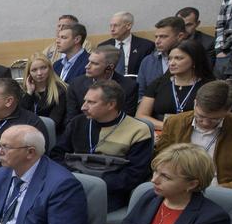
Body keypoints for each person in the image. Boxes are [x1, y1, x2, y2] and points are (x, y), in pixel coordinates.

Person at [156, 80, 232, 223]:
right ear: (195, 103)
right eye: (200, 116)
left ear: (229, 109)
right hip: (178, 191)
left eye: (214, 119)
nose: (205, 123)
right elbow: (160, 159)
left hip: (222, 194)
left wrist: (225, 189)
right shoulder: (175, 123)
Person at [52, 80, 154, 211]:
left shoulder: (138, 130)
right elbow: (56, 155)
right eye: (85, 101)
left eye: (91, 102)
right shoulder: (77, 123)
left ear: (111, 104)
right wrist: (75, 178)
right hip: (72, 184)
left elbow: (134, 174)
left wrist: (96, 184)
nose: (83, 107)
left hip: (110, 193)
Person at [137, 39, 216, 130]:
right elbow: (141, 116)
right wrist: (170, 127)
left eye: (178, 58)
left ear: (194, 61)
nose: (171, 63)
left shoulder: (209, 87)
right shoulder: (158, 84)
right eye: (170, 59)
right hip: (162, 132)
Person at [64, 46, 139, 121]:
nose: (87, 66)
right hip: (83, 127)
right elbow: (71, 119)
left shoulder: (129, 87)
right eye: (89, 61)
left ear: (110, 67)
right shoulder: (76, 84)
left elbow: (126, 120)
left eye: (95, 63)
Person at [133, 16, 187, 97]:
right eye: (156, 37)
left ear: (180, 36)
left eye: (163, 37)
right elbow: (140, 92)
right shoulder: (148, 61)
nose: (157, 41)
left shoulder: (192, 59)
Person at [96, 11, 154, 77]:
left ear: (128, 26)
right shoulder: (103, 47)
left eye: (116, 26)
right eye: (111, 26)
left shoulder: (146, 46)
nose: (112, 29)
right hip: (109, 82)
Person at [21, 53, 68, 129]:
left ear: (50, 69)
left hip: (51, 132)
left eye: (43, 68)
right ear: (29, 73)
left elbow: (54, 123)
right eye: (34, 70)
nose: (39, 73)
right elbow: (20, 117)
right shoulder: (25, 91)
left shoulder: (60, 91)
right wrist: (29, 93)